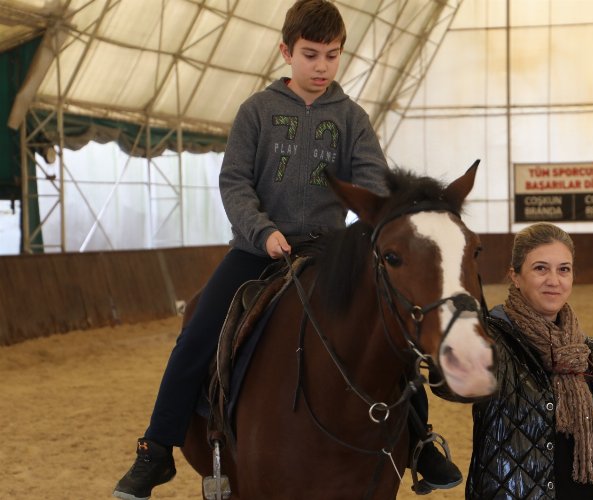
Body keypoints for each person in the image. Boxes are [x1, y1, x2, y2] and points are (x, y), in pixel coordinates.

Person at [113, 2, 459, 499]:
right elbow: (234, 182)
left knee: (390, 326)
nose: (321, 67)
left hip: (329, 249)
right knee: (196, 335)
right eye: (311, 55)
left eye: (332, 56)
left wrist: (375, 218)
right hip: (258, 250)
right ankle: (157, 449)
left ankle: (420, 440)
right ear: (286, 51)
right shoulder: (256, 111)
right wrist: (262, 231)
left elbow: (370, 183)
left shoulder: (352, 118)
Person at [463, 222, 593, 499]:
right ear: (515, 276)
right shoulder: (489, 341)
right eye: (540, 268)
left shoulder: (585, 350)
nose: (554, 280)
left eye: (564, 269)